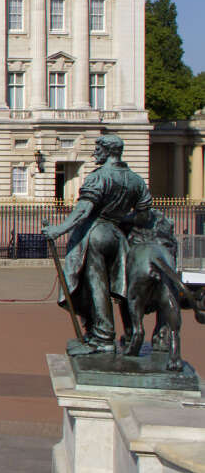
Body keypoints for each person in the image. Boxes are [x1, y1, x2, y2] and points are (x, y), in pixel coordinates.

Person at [42, 135, 152, 355]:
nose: (95, 153)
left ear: (108, 150)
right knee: (120, 287)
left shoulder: (99, 177)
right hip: (117, 236)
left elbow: (83, 210)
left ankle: (103, 337)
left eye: (98, 149)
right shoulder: (136, 180)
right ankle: (122, 333)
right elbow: (143, 217)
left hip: (95, 233)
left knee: (96, 285)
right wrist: (120, 220)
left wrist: (58, 230)